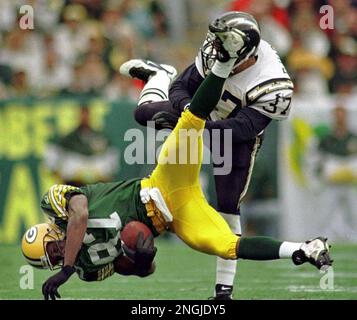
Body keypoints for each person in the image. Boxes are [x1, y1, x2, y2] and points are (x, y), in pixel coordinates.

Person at [22, 22, 332, 300]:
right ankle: (304, 248)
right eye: (50, 260)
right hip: (177, 215)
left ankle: (180, 72)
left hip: (164, 182)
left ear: (49, 233)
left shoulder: (57, 207)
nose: (56, 256)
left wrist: (65, 268)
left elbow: (79, 215)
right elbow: (145, 270)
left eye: (51, 250)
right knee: (226, 243)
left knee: (183, 120)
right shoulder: (88, 269)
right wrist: (140, 260)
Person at [119, 11, 294, 299]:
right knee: (143, 114)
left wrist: (198, 127)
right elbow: (180, 88)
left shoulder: (274, 83)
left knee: (227, 209)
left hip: (235, 137)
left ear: (244, 53)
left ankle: (224, 292)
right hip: (201, 114)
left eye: (225, 48)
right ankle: (157, 74)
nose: (216, 50)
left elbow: (243, 128)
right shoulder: (219, 51)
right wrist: (190, 113)